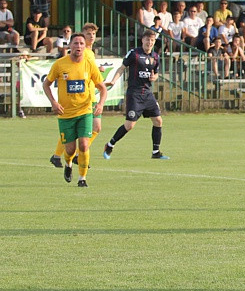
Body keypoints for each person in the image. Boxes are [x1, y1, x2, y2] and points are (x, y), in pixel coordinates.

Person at [42, 32, 107, 188]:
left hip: (85, 111)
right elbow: (46, 84)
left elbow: (102, 88)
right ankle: (68, 163)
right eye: (76, 43)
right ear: (70, 45)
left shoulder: (89, 64)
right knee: (70, 150)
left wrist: (100, 104)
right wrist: (53, 102)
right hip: (65, 114)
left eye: (81, 44)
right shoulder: (60, 64)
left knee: (84, 145)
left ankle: (82, 179)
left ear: (85, 46)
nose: (78, 46)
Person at [103, 30, 169, 160]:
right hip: (135, 94)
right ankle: (110, 145)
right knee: (129, 125)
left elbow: (156, 73)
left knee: (158, 121)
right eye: (147, 39)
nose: (149, 42)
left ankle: (156, 152)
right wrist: (113, 81)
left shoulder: (155, 56)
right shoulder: (134, 53)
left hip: (147, 94)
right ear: (142, 40)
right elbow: (122, 68)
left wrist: (154, 77)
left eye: (152, 40)